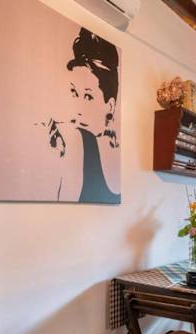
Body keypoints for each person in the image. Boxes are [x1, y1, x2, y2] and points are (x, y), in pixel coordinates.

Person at [43, 27, 121, 204]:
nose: (78, 109)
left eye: (88, 96)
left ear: (109, 106)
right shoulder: (113, 154)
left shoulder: (78, 139)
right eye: (73, 93)